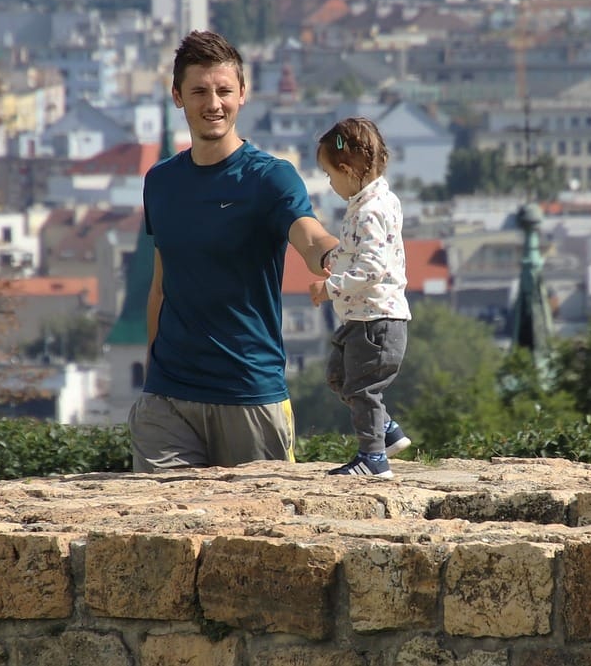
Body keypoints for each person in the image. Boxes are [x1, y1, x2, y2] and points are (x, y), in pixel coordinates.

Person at [129, 30, 339, 472]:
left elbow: (310, 235)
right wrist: (154, 376)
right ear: (177, 97)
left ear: (243, 94)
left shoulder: (270, 178)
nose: (213, 103)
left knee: (261, 534)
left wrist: (333, 255)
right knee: (158, 527)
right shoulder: (160, 182)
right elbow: (161, 288)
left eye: (224, 90)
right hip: (168, 399)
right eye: (199, 91)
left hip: (249, 393)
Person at [309, 117, 412, 479]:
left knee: (363, 390)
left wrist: (331, 286)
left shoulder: (369, 211)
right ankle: (386, 431)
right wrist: (333, 260)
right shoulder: (375, 201)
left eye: (329, 174)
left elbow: (373, 269)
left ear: (347, 170)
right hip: (364, 318)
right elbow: (358, 251)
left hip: (376, 321)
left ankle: (373, 459)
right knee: (341, 378)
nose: (329, 183)